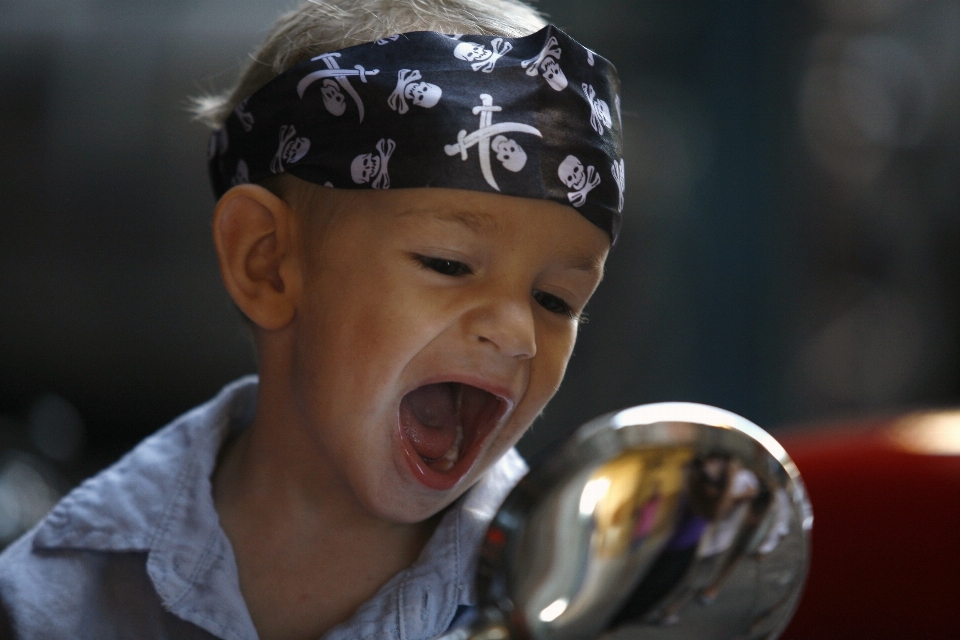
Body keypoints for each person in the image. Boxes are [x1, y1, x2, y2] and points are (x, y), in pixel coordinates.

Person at [0, 1, 624, 638]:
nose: (518, 336)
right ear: (267, 261)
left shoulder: (584, 607)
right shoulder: (54, 595)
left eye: (556, 301)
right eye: (448, 263)